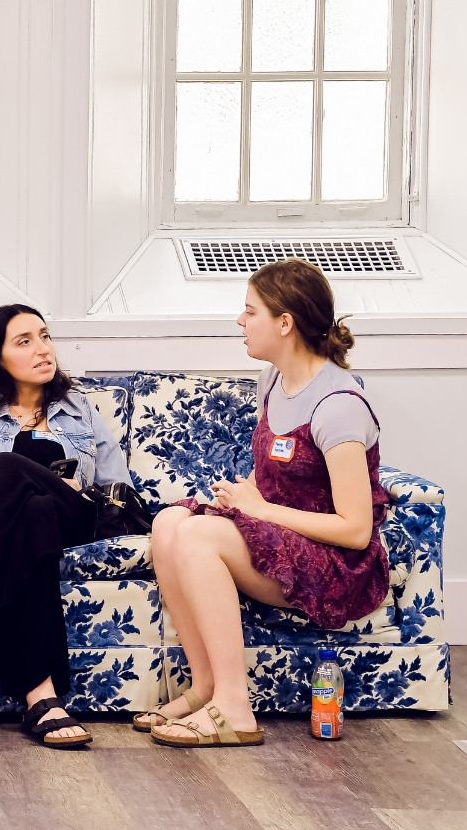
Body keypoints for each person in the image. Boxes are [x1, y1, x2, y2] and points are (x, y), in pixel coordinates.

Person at [137, 259, 390, 748]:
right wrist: (241, 496)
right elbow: (275, 469)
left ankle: (235, 708)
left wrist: (260, 510)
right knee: (170, 521)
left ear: (284, 323)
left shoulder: (338, 404)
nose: (240, 321)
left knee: (195, 534)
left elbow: (356, 530)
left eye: (250, 311)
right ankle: (207, 688)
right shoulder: (271, 380)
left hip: (336, 563)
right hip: (280, 535)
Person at [0, 303, 132, 749]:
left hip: (71, 516)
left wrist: (74, 489)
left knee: (18, 478)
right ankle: (43, 697)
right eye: (25, 341)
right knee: (20, 497)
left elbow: (118, 488)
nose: (43, 349)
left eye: (45, 336)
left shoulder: (79, 409)